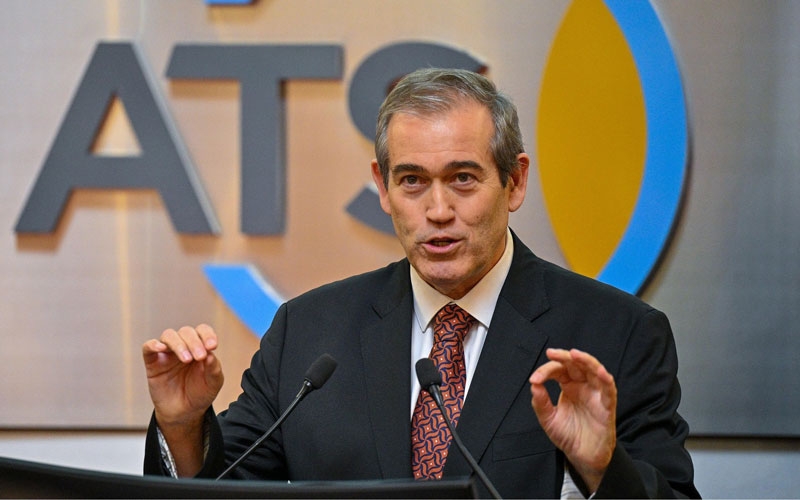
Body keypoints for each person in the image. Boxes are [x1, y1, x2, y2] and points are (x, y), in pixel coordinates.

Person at [142, 68, 699, 498]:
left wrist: (602, 468)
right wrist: (183, 426)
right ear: (383, 188)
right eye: (412, 181)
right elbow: (223, 490)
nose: (438, 210)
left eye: (463, 178)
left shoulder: (616, 334)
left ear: (515, 182)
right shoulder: (309, 332)